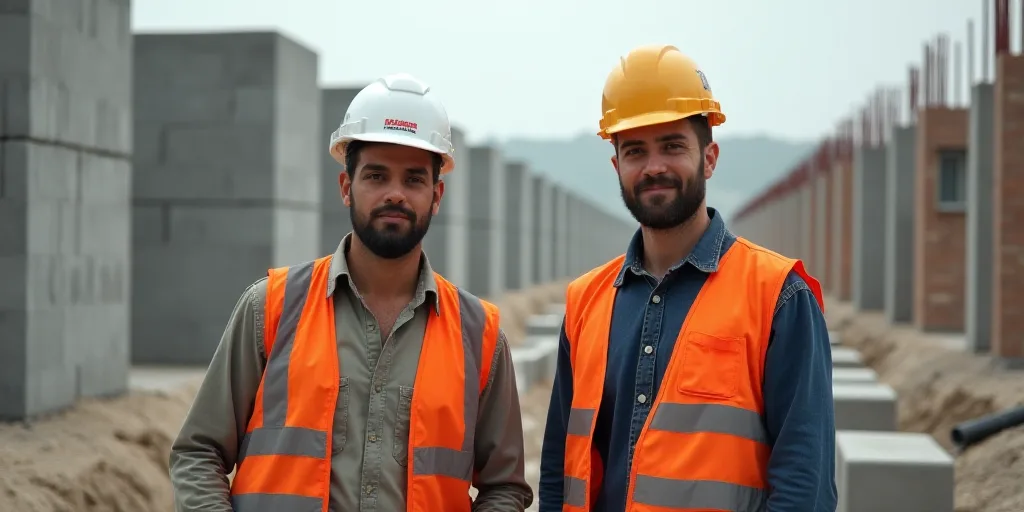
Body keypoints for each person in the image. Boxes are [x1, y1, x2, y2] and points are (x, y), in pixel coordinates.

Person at [169, 72, 533, 512]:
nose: (395, 194)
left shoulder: (481, 335)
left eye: (414, 180)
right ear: (347, 187)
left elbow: (505, 489)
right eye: (376, 176)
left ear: (436, 196)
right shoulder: (271, 308)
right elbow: (198, 453)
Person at [537, 45, 838, 512]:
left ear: (710, 157)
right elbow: (560, 466)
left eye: (673, 146)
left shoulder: (778, 296)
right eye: (635, 150)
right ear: (617, 167)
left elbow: (806, 483)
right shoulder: (585, 302)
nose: (654, 166)